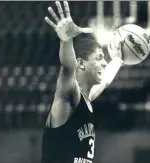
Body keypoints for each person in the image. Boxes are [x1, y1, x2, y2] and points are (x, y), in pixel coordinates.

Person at [41, 1, 124, 163]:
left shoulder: (86, 98)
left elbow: (105, 81)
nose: (104, 63)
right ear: (80, 63)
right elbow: (68, 69)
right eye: (99, 58)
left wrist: (119, 60)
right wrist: (66, 41)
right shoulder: (69, 94)